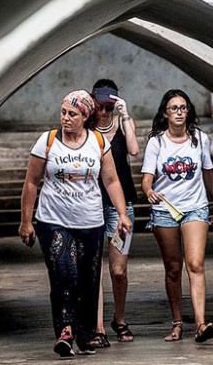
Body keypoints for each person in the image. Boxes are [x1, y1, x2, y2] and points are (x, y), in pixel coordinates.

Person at [18, 90, 132, 359]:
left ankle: (84, 333)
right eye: (63, 112)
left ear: (85, 116)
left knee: (88, 279)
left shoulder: (97, 141)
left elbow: (112, 181)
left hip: (90, 221)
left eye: (72, 114)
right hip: (53, 220)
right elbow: (31, 182)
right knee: (64, 273)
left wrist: (123, 214)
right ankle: (65, 331)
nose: (66, 118)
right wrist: (26, 221)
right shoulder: (48, 141)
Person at [141, 89, 213, 343]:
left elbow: (208, 173)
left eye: (183, 108)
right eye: (173, 108)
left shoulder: (199, 138)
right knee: (173, 268)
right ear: (165, 113)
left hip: (195, 207)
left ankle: (200, 323)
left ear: (188, 112)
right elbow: (147, 179)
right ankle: (177, 323)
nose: (178, 112)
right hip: (165, 210)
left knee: (196, 264)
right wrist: (149, 191)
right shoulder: (156, 142)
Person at [89, 79, 139, 348]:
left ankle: (119, 319)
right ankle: (97, 326)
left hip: (122, 207)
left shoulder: (121, 123)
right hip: (92, 205)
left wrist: (125, 114)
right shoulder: (86, 130)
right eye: (101, 106)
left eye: (109, 106)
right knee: (94, 269)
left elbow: (133, 149)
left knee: (118, 270)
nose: (105, 112)